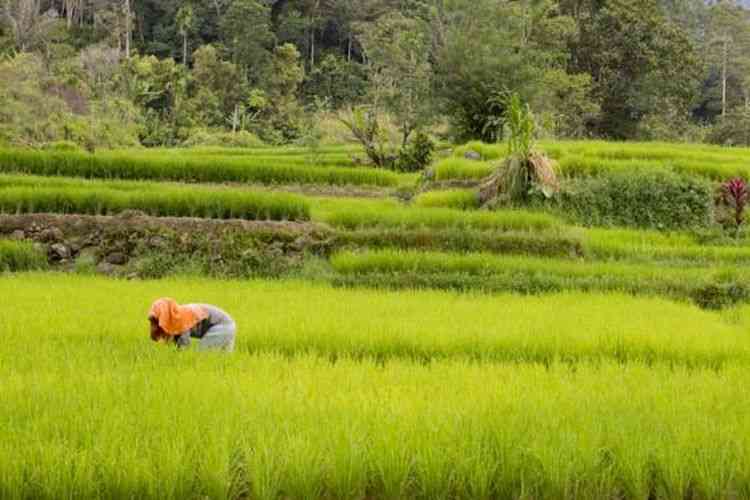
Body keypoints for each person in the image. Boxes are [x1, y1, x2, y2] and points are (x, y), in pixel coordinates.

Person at [148, 298, 236, 352]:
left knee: (201, 354)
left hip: (222, 325)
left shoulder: (181, 319)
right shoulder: (176, 316)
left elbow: (184, 347)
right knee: (222, 360)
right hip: (227, 325)